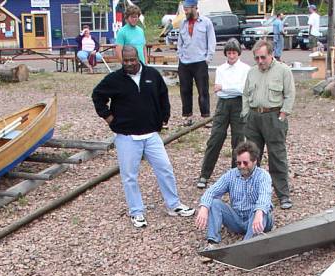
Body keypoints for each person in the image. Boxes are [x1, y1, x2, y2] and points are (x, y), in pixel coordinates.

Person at [91, 46, 195, 229]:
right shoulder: (114, 79)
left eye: (132, 59)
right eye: (126, 61)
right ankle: (136, 211)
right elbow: (97, 96)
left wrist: (164, 118)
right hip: (126, 136)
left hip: (151, 134)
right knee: (129, 176)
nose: (129, 64)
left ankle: (174, 205)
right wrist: (109, 118)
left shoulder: (152, 75)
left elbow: (164, 97)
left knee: (165, 168)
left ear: (138, 57)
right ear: (122, 60)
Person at [242, 39, 295, 210]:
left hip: (274, 117)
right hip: (254, 117)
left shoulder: (283, 71)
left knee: (277, 156)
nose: (260, 61)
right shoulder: (251, 73)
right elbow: (245, 94)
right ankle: (251, 192)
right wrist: (245, 113)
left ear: (271, 55)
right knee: (251, 156)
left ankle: (283, 195)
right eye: (256, 58)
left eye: (263, 57)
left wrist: (283, 114)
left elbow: (290, 94)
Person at [195, 140, 274, 246]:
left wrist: (259, 213)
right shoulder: (231, 175)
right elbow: (212, 191)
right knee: (214, 203)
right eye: (238, 163)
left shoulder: (263, 176)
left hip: (258, 220)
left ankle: (246, 245)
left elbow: (264, 198)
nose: (241, 166)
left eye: (245, 163)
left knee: (261, 210)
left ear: (254, 161)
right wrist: (204, 207)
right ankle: (212, 242)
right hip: (237, 220)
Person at [196, 39, 250, 189]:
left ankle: (237, 173)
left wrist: (225, 87)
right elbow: (217, 89)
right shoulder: (220, 69)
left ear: (238, 53)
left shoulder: (245, 69)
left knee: (238, 140)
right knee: (215, 138)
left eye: (234, 52)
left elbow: (242, 90)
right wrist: (227, 88)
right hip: (223, 104)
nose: (231, 55)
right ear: (226, 53)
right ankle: (204, 174)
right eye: (229, 53)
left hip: (239, 104)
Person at [177, 0, 216, 126]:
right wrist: (180, 55)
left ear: (194, 7)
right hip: (185, 62)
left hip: (200, 61)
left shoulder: (206, 22)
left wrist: (207, 58)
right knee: (185, 90)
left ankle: (205, 116)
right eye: (184, 9)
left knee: (203, 90)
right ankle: (187, 116)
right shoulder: (183, 23)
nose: (185, 11)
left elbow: (211, 40)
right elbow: (180, 42)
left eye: (187, 9)